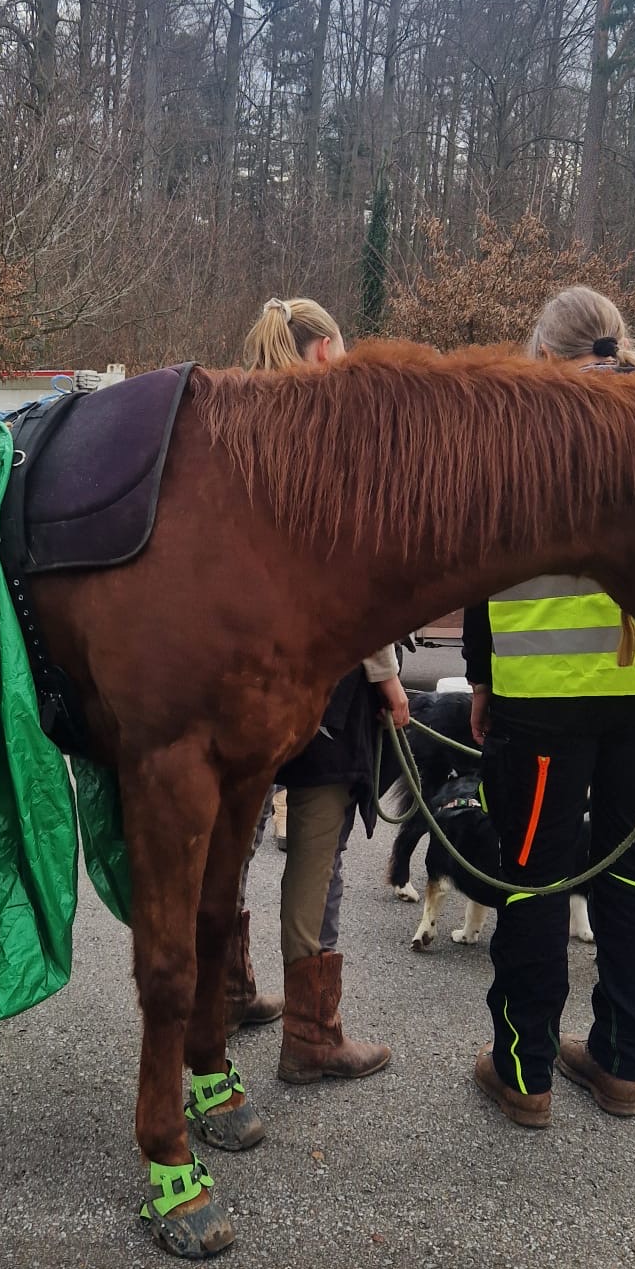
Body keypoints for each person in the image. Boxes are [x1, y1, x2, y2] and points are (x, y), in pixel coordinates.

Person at [466, 285, 635, 1128]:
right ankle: (621, 1063)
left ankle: (524, 1074)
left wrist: (482, 678)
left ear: (544, 354)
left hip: (543, 701)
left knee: (534, 879)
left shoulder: (523, 436)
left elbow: (484, 570)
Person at [230, 296, 409, 1082]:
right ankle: (310, 1037)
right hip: (329, 690)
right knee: (316, 855)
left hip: (243, 681)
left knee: (229, 848)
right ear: (325, 351)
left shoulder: (232, 438)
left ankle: (228, 993)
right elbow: (356, 588)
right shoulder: (331, 450)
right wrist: (389, 679)